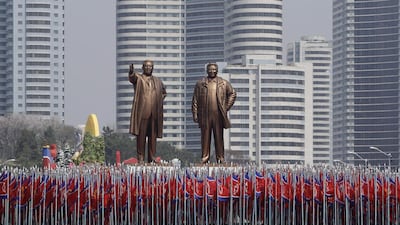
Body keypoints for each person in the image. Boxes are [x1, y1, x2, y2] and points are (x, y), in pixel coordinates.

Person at [192, 63, 236, 164]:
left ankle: (220, 158)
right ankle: (205, 157)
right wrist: (195, 113)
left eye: (214, 69)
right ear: (207, 70)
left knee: (219, 137)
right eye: (210, 69)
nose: (212, 71)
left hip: (218, 114)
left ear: (217, 70)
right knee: (205, 137)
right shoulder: (200, 83)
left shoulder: (223, 83)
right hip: (205, 114)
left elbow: (233, 93)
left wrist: (226, 107)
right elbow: (195, 99)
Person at [129, 60, 166, 163]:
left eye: (150, 66)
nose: (148, 68)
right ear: (143, 67)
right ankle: (140, 157)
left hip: (154, 113)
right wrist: (131, 72)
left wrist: (157, 101)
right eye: (146, 66)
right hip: (142, 112)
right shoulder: (139, 78)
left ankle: (152, 157)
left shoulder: (157, 81)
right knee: (141, 137)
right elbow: (132, 78)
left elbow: (163, 92)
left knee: (152, 137)